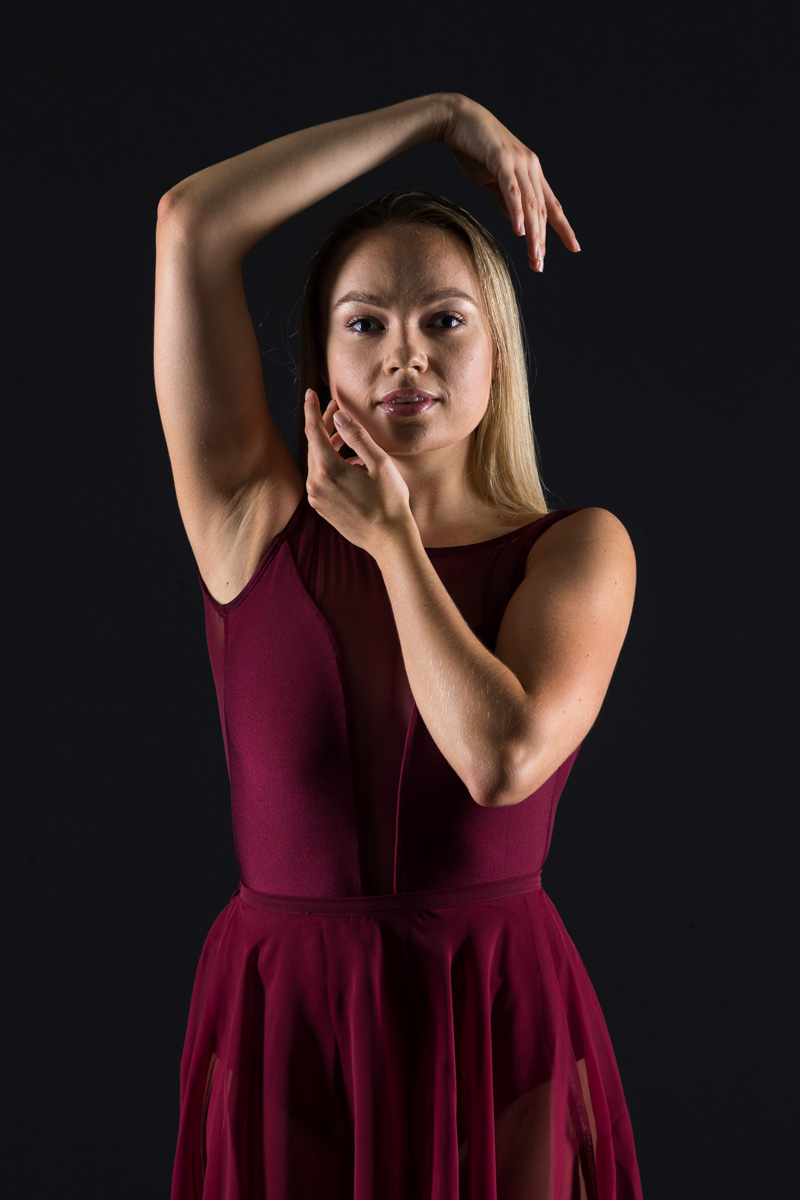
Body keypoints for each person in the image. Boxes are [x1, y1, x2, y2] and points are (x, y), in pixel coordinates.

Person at [154, 92, 642, 1199]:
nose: (404, 355)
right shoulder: (250, 522)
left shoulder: (577, 550)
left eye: (444, 321)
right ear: (322, 358)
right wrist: (439, 117)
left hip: (495, 1009)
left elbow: (500, 759)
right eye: (365, 323)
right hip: (284, 1018)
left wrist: (391, 545)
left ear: (496, 352)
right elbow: (192, 223)